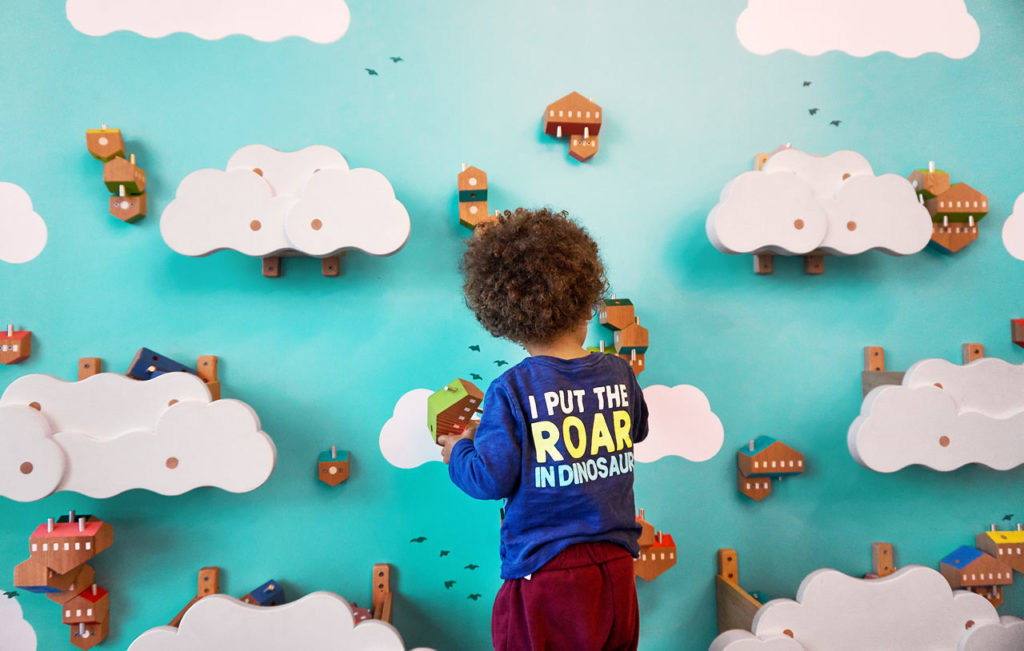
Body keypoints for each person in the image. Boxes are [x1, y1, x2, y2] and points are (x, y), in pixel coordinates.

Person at [438, 208, 649, 651]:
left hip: (547, 572)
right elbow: (636, 430)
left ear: (506, 317)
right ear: (587, 295)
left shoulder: (513, 389)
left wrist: (459, 449)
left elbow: (489, 478)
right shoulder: (618, 371)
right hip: (617, 566)